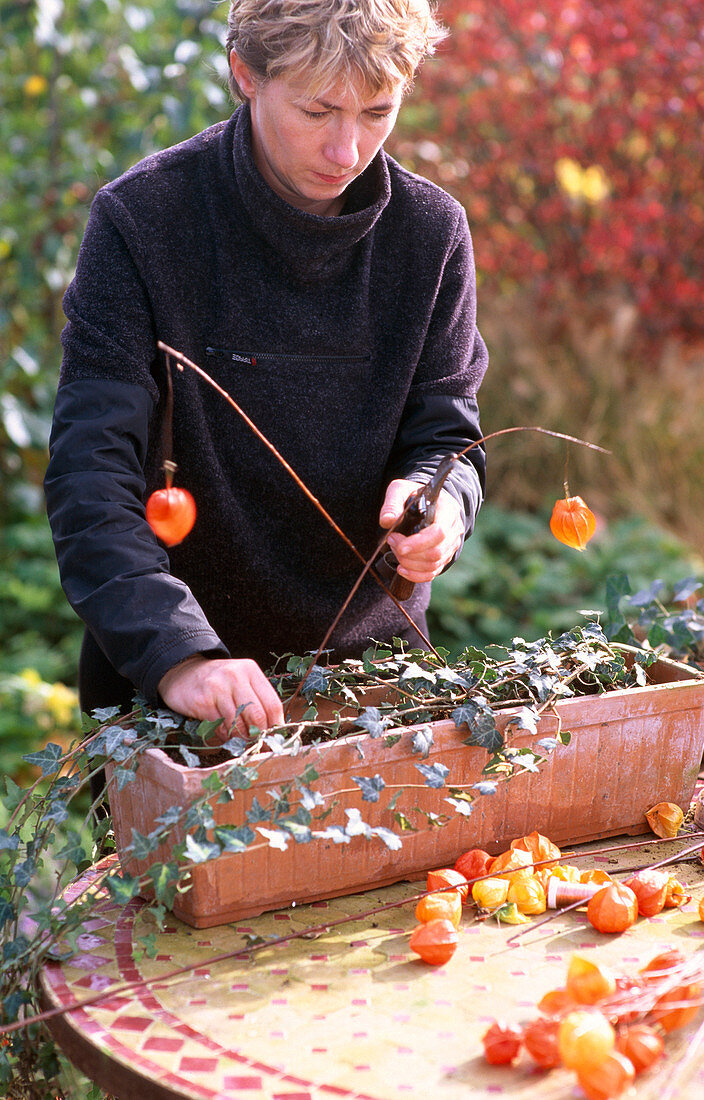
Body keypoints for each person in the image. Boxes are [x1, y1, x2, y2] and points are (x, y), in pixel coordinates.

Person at [44, 0, 488, 742]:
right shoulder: (143, 221)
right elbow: (91, 476)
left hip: (369, 689)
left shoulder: (430, 233)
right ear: (244, 74)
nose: (347, 150)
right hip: (168, 685)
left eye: (378, 111)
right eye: (318, 110)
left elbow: (448, 434)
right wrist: (180, 656)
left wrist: (442, 501)